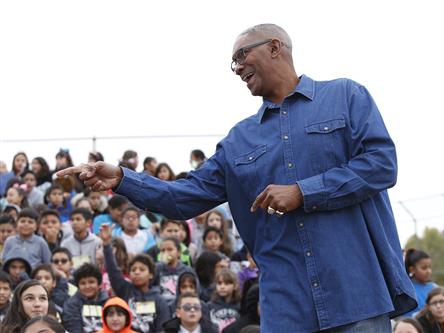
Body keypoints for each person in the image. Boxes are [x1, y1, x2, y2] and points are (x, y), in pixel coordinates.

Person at [57, 23, 416, 332]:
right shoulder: (238, 140)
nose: (236, 67)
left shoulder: (345, 96)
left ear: (275, 47)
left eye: (242, 54)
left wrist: (304, 192)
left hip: (356, 294)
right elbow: (182, 198)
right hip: (286, 307)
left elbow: (382, 164)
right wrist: (121, 177)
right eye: (233, 61)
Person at [100, 223, 171, 333]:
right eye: (133, 270)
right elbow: (112, 270)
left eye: (142, 270)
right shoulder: (125, 290)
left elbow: (163, 328)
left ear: (151, 274)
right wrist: (106, 244)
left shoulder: (159, 300)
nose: (137, 272)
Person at [62, 263, 109, 333]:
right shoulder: (71, 305)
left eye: (91, 282)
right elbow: (74, 329)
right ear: (78, 286)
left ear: (99, 284)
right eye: (83, 283)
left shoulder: (109, 303)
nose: (87, 286)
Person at [404, 248, 437, 316]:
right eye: (424, 268)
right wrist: (420, 314)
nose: (428, 271)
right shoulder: (407, 290)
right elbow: (401, 319)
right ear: (412, 269)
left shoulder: (435, 288)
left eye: (429, 267)